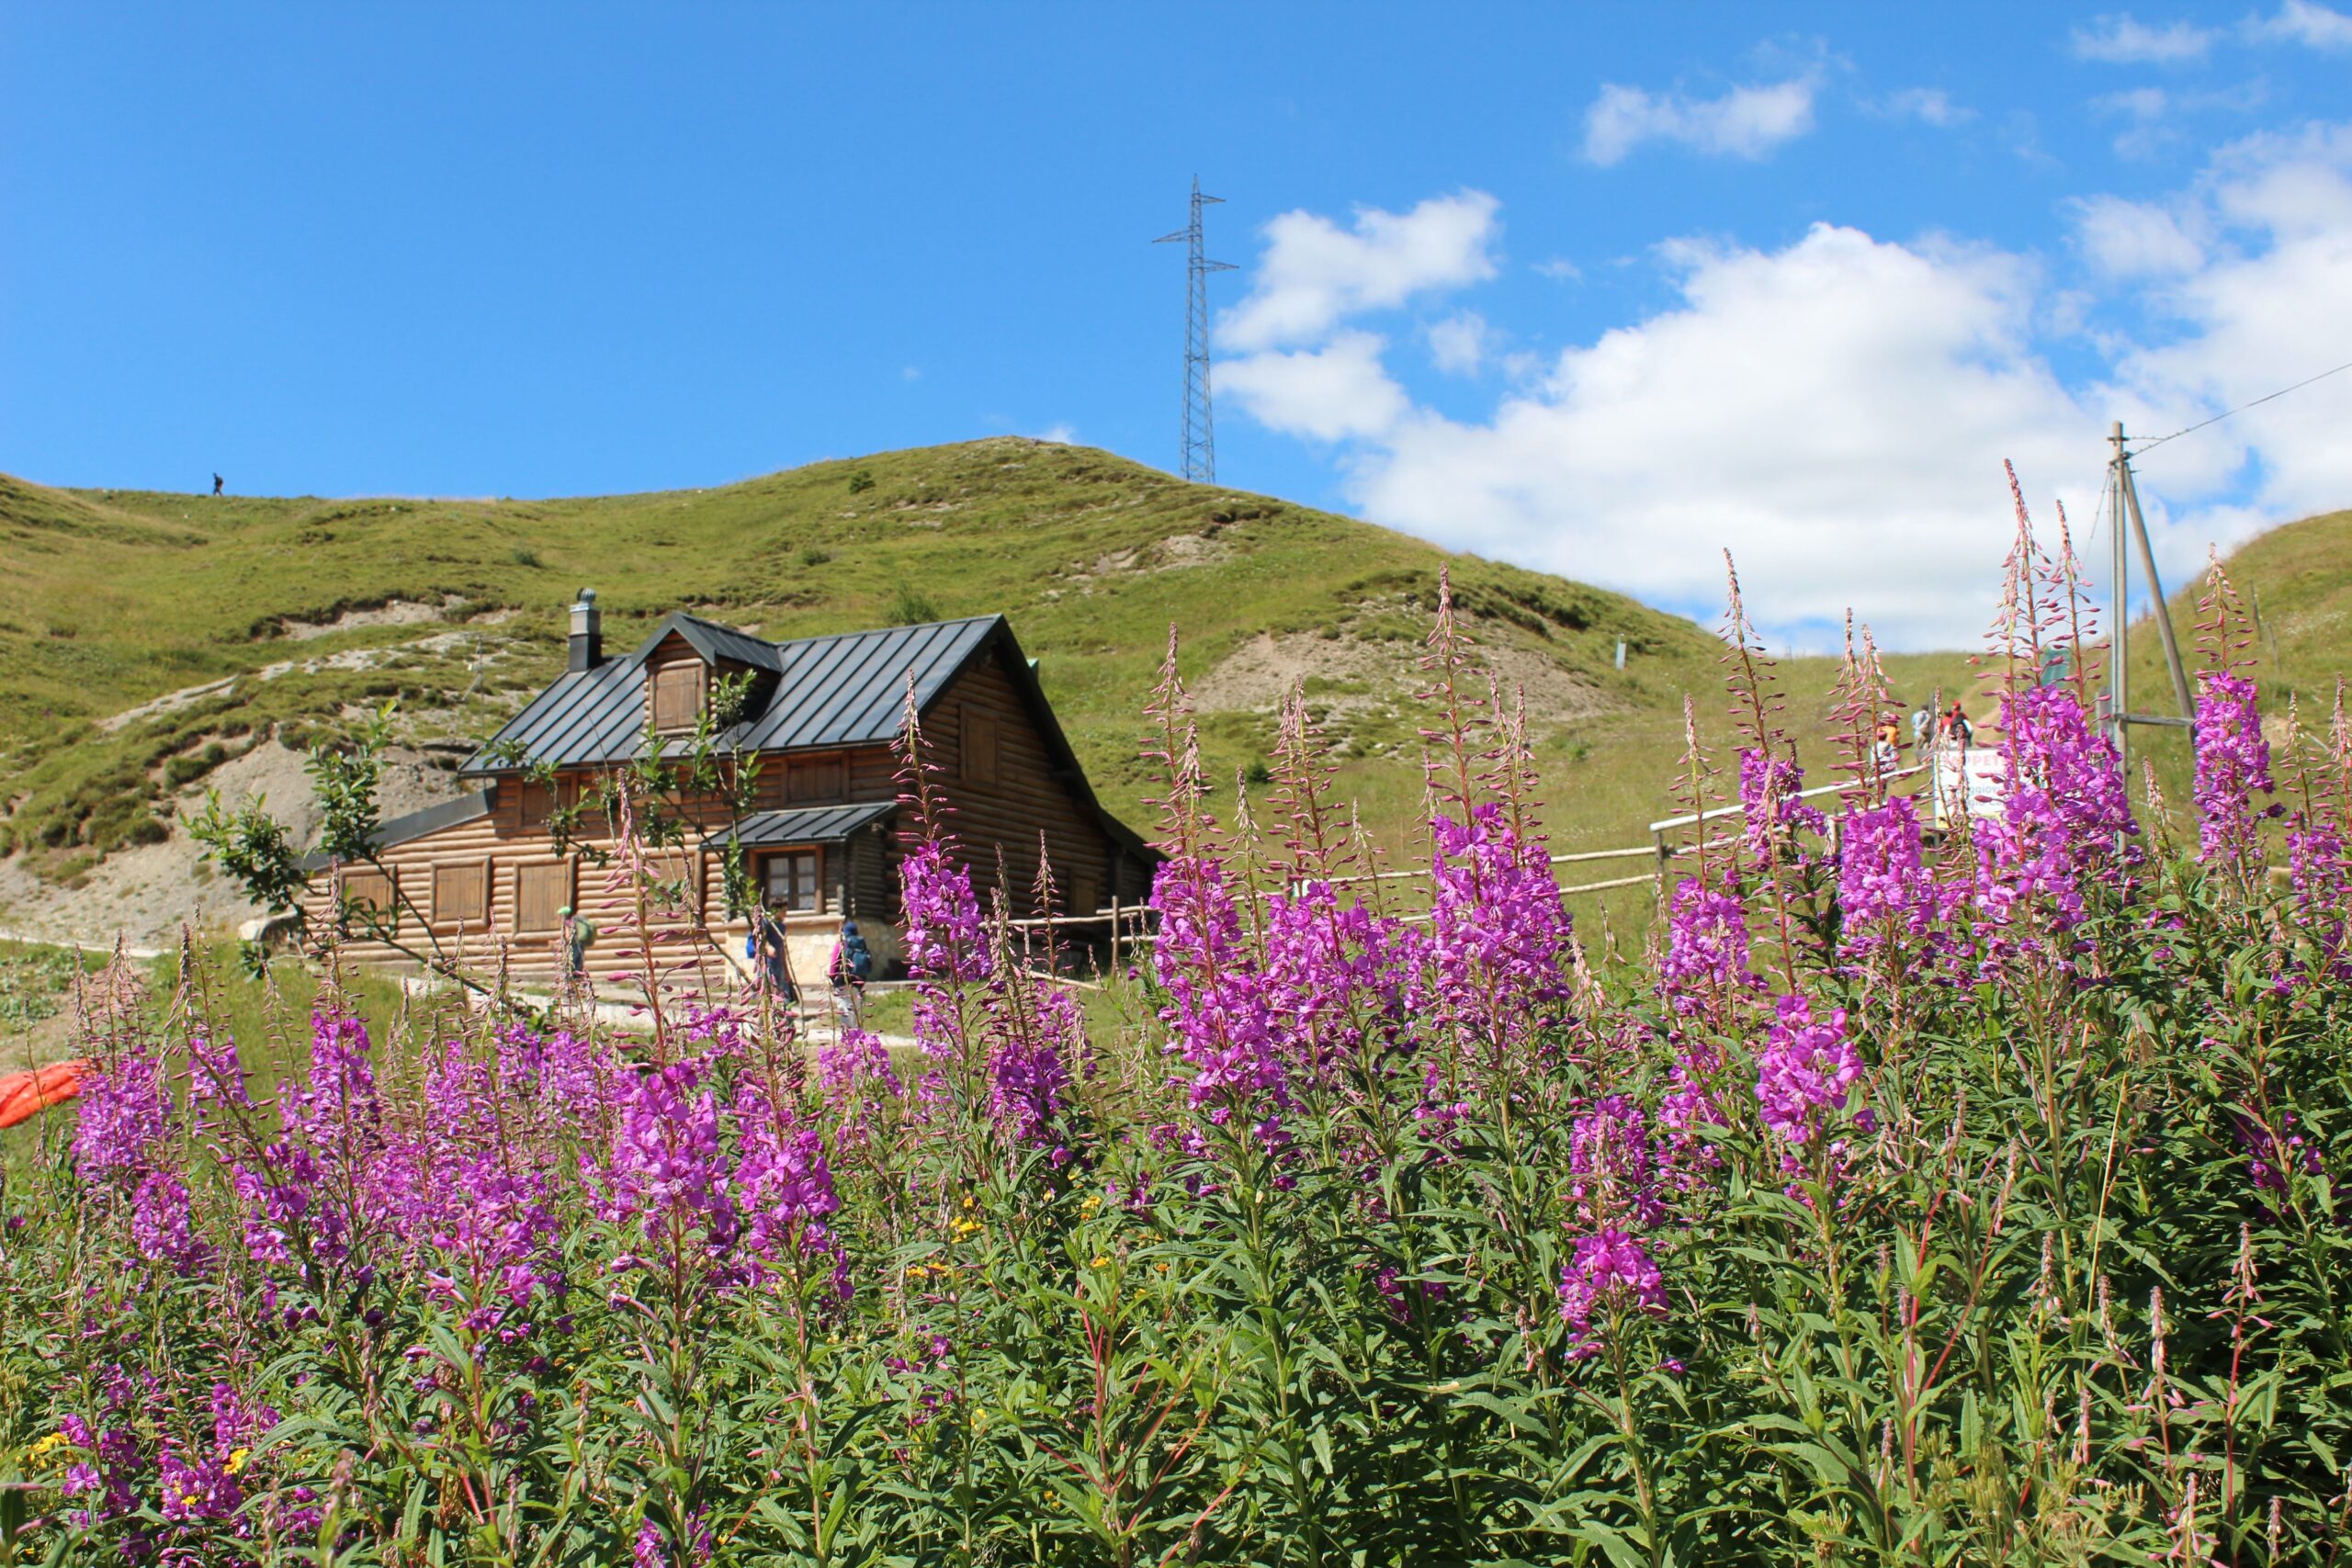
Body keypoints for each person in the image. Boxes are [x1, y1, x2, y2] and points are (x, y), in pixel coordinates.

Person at [828, 917, 873, 1032]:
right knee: (857, 1012)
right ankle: (859, 1038)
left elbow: (833, 965)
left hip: (842, 982)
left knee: (846, 1012)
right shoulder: (861, 944)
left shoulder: (841, 944)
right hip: (858, 983)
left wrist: (833, 980)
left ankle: (848, 1039)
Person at [747, 902, 796, 1002]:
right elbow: (758, 941)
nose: (785, 914)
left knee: (781, 990)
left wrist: (787, 970)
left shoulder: (782, 926)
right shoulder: (766, 923)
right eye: (783, 911)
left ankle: (782, 1013)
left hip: (779, 963)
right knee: (769, 990)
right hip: (768, 962)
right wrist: (767, 948)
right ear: (775, 911)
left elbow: (782, 949)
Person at [557, 905, 596, 987]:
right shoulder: (573, 921)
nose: (559, 917)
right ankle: (581, 983)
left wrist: (561, 942)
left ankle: (573, 984)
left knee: (572, 964)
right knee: (579, 963)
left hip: (574, 945)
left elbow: (567, 936)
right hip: (580, 944)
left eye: (560, 915)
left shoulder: (566, 922)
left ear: (563, 915)